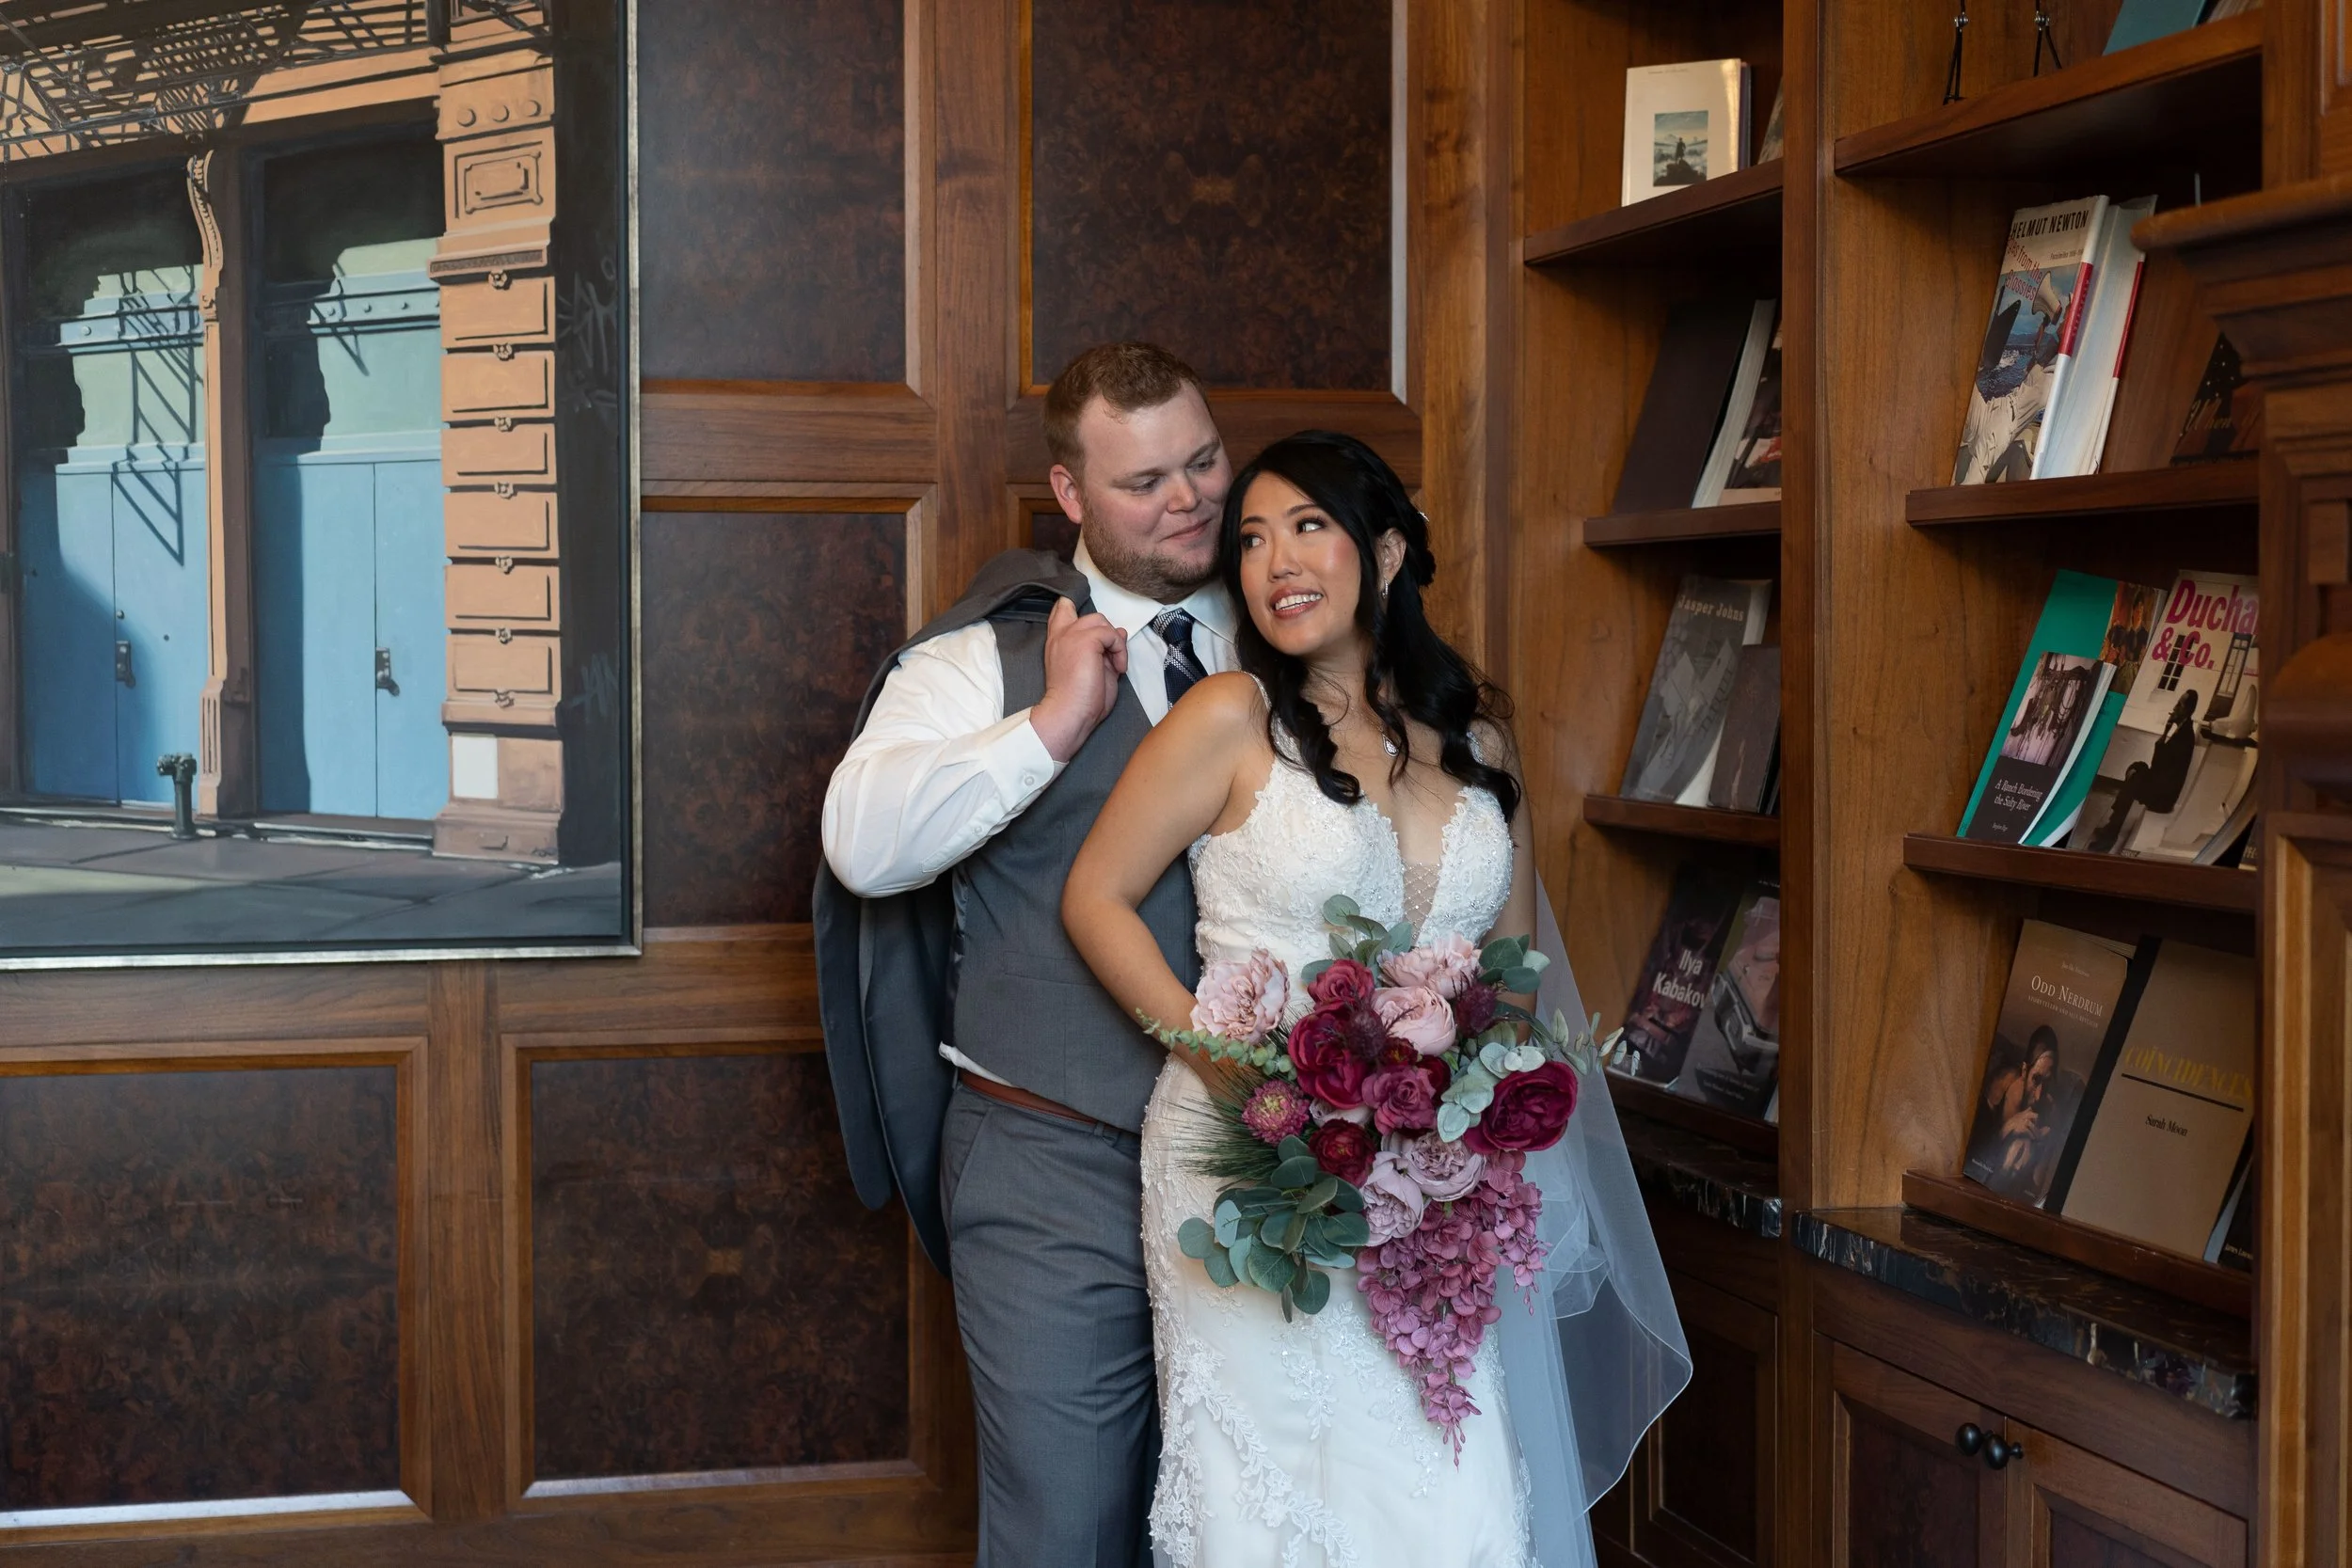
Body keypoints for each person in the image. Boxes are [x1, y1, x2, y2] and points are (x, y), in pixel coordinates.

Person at [1062, 431, 1688, 1567]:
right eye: (1253, 539)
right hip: (1250, 1164)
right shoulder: (1229, 716)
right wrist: (1224, 1063)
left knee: (1445, 1482)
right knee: (1275, 1500)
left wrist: (1466, 1114)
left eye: (1308, 526)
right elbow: (1094, 897)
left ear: (1386, 551)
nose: (1276, 562)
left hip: (1432, 1178)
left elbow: (1508, 974)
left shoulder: (1478, 739)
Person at [815, 341, 1236, 1567]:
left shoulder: (1292, 629)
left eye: (1204, 461)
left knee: (1237, 1521)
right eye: (1143, 480)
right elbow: (861, 843)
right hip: (1056, 1162)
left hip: (1263, 1164)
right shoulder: (979, 660)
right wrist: (1049, 727)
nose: (1188, 499)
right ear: (1068, 494)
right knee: (1067, 1526)